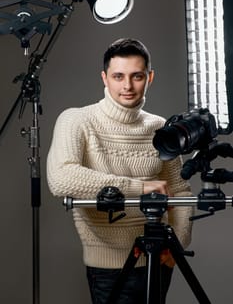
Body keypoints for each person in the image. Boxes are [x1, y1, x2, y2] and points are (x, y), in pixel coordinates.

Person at [46, 38, 193, 304]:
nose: (127, 86)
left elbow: (180, 190)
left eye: (137, 76)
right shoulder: (77, 120)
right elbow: (61, 178)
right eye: (118, 76)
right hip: (108, 266)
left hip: (158, 259)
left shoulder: (161, 128)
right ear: (104, 78)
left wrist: (177, 246)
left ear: (150, 77)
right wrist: (140, 187)